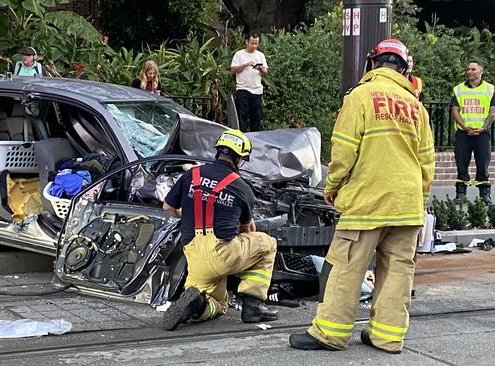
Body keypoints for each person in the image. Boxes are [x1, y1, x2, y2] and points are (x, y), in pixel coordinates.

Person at [289, 39, 434, 354]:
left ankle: (329, 333)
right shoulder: (417, 108)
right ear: (405, 69)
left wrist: (334, 186)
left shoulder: (360, 97)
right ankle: (387, 336)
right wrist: (418, 200)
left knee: (345, 266)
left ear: (372, 64)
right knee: (397, 270)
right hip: (407, 205)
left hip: (368, 201)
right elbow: (427, 163)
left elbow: (343, 150)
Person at [161, 129, 278, 331]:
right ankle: (253, 306)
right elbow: (247, 230)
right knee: (267, 245)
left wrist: (188, 215)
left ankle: (197, 306)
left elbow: (168, 208)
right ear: (240, 158)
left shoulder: (191, 175)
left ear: (218, 152)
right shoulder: (241, 187)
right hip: (223, 253)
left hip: (194, 256)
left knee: (218, 304)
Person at [451, 60, 495, 202]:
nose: (469, 71)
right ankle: (461, 194)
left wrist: (484, 127)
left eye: (473, 69)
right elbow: (455, 111)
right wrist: (464, 127)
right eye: (468, 69)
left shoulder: (490, 89)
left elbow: (493, 112)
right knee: (461, 163)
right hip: (463, 133)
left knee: (483, 164)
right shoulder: (458, 89)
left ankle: (484, 195)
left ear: (481, 72)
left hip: (482, 134)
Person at [230, 33, 268, 132]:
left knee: (256, 117)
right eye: (252, 43)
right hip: (243, 89)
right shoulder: (239, 54)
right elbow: (233, 69)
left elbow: (265, 72)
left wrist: (260, 68)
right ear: (247, 42)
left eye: (256, 44)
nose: (254, 46)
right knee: (242, 115)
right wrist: (245, 65)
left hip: (257, 90)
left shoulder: (260, 55)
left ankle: (255, 138)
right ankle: (242, 136)